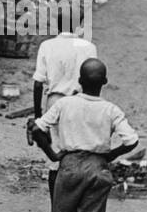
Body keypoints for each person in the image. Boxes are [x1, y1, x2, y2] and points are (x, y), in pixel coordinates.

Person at [31, 58, 138, 212]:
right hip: (97, 168)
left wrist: (52, 154)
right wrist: (112, 154)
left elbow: (37, 129)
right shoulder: (111, 109)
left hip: (69, 167)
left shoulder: (65, 103)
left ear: (79, 80)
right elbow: (132, 140)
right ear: (104, 81)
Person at [32, 12, 98, 199]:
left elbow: (38, 83)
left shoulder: (47, 46)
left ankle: (56, 208)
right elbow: (93, 78)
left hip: (55, 102)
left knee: (55, 158)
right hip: (81, 102)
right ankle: (76, 203)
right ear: (79, 26)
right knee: (80, 151)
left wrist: (38, 117)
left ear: (58, 25)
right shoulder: (88, 47)